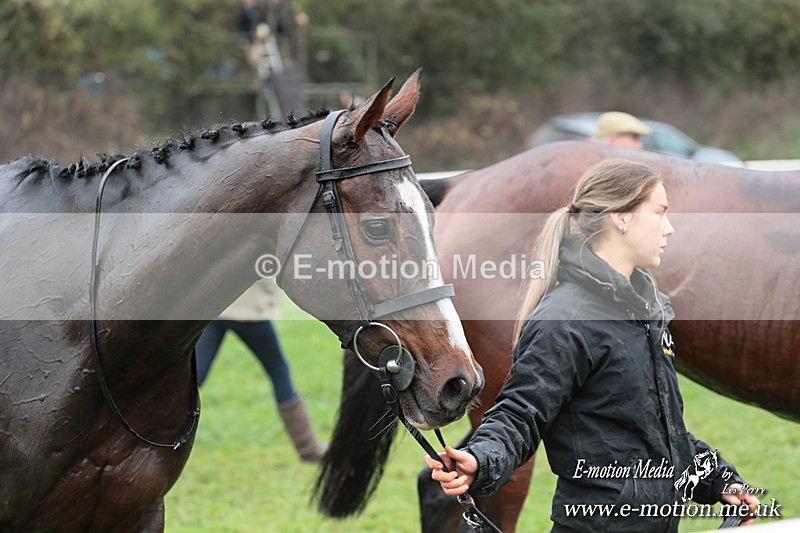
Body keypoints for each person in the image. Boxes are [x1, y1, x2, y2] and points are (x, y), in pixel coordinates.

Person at [424, 159, 760, 531]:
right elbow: (520, 413)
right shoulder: (565, 320)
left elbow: (657, 431)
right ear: (620, 218)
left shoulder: (649, 311)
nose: (669, 228)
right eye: (659, 213)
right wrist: (481, 459)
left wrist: (719, 481)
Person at [196, 278, 326, 463]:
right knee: (278, 370)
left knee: (195, 376)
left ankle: (159, 431)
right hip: (248, 313)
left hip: (217, 310)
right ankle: (309, 448)